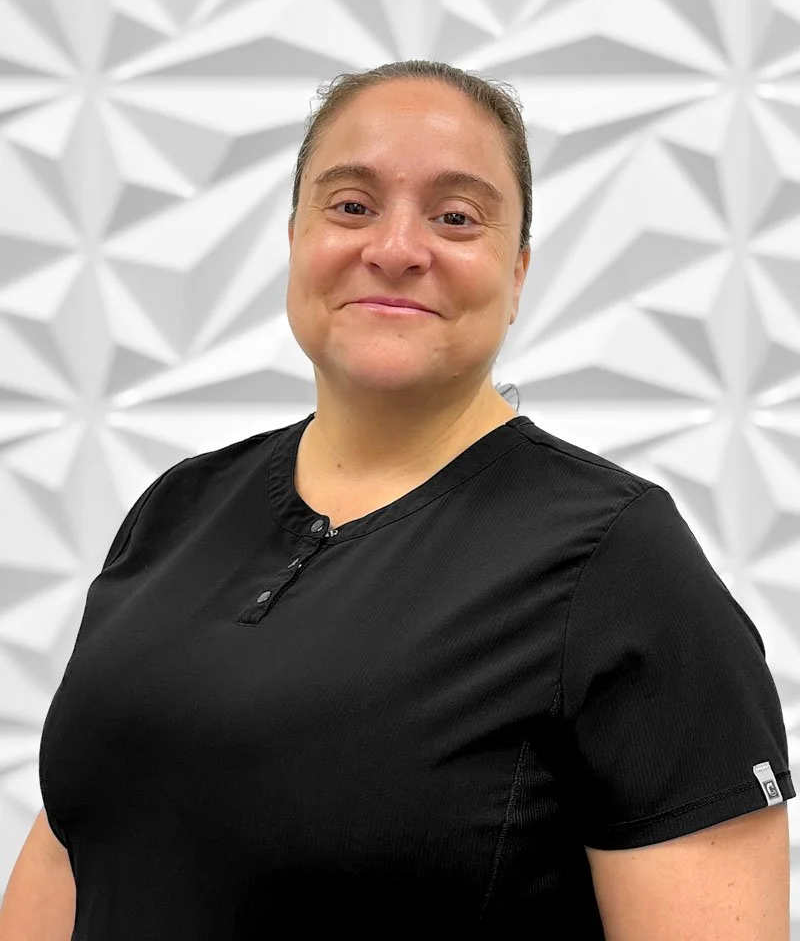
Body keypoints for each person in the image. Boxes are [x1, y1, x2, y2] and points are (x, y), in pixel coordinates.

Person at [2, 60, 793, 938]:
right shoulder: (176, 511)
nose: (395, 247)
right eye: (351, 205)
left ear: (519, 270)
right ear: (296, 237)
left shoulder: (621, 564)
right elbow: (72, 844)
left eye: (456, 218)